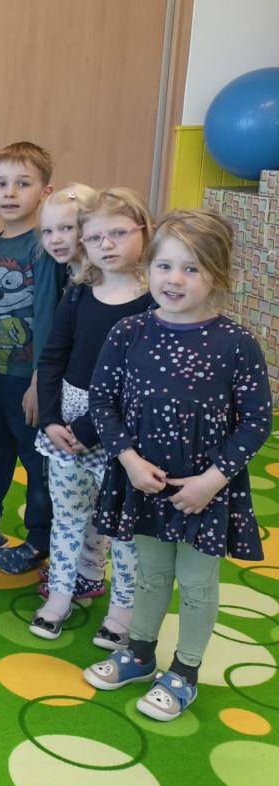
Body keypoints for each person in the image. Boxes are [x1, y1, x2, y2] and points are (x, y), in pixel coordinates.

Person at [82, 210, 271, 721]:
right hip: (144, 481)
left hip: (205, 491)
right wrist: (129, 461)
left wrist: (213, 480)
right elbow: (102, 401)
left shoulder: (237, 343)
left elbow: (257, 421)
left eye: (191, 268)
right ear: (149, 268)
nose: (174, 279)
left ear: (218, 274)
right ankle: (140, 653)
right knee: (150, 572)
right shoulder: (128, 331)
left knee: (197, 582)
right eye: (165, 266)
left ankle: (185, 672)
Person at [31, 188, 154, 643]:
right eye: (96, 237)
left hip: (122, 431)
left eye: (118, 234)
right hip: (66, 425)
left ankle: (123, 611)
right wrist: (50, 420)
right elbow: (53, 357)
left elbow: (141, 382)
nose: (107, 245)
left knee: (124, 528)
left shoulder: (153, 302)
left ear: (144, 231)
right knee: (69, 516)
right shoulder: (80, 293)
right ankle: (61, 593)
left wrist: (88, 428)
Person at [0, 141, 65, 576]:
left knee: (36, 461)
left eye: (23, 184)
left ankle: (39, 539)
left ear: (45, 193)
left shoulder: (44, 248)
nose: (11, 193)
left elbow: (47, 314)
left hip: (28, 378)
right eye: (1, 184)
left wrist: (40, 381)